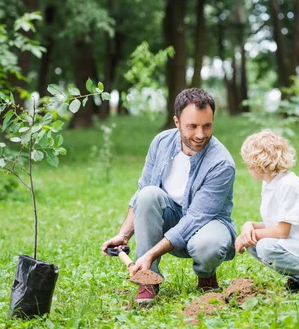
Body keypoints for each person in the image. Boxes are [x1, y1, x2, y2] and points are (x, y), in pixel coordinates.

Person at [101, 88, 237, 305]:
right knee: (147, 194)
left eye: (207, 125)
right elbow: (143, 190)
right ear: (176, 122)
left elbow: (195, 219)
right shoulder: (161, 143)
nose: (200, 134)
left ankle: (206, 275)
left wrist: (149, 253)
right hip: (170, 216)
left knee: (208, 245)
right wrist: (123, 235)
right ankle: (148, 279)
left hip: (206, 224)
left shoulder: (221, 164)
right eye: (192, 126)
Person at [235, 130, 299, 295]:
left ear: (258, 164)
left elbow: (282, 231)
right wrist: (249, 226)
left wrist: (250, 235)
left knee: (265, 247)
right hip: (296, 242)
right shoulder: (270, 184)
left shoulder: (289, 185)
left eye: (248, 163)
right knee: (255, 245)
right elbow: (273, 225)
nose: (247, 167)